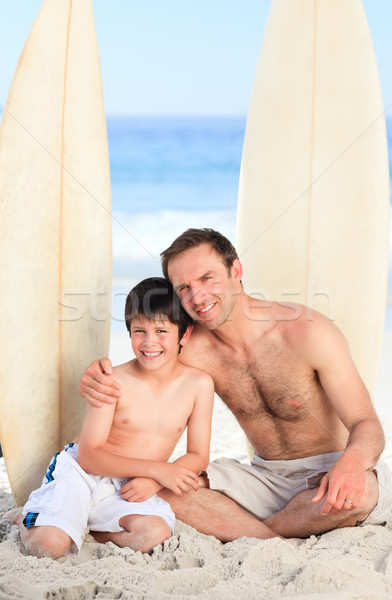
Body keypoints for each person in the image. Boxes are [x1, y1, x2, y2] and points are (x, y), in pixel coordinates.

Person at [80, 229, 392, 541]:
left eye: (207, 278)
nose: (197, 296)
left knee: (358, 496)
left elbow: (367, 425)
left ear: (236, 271)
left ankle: (262, 536)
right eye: (184, 288)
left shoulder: (307, 333)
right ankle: (282, 532)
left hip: (332, 467)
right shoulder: (192, 349)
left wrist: (351, 465)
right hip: (264, 477)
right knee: (165, 490)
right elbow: (142, 362)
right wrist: (98, 373)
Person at [8, 277, 214, 558]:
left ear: (185, 334)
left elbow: (198, 454)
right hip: (83, 474)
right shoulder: (112, 380)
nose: (149, 342)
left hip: (129, 485)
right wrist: (157, 471)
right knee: (48, 546)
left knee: (154, 535)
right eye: (139, 331)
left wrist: (154, 481)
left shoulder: (199, 384)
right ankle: (28, 515)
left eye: (162, 330)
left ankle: (86, 525)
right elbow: (89, 457)